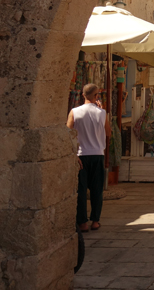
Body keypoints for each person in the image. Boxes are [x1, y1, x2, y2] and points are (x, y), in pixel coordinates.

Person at [67, 83, 110, 232]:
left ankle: (82, 222)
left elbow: (68, 133)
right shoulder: (102, 113)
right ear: (96, 96)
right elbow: (109, 132)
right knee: (97, 190)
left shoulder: (74, 112)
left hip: (81, 155)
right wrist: (100, 110)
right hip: (97, 154)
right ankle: (95, 221)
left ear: (82, 95)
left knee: (81, 190)